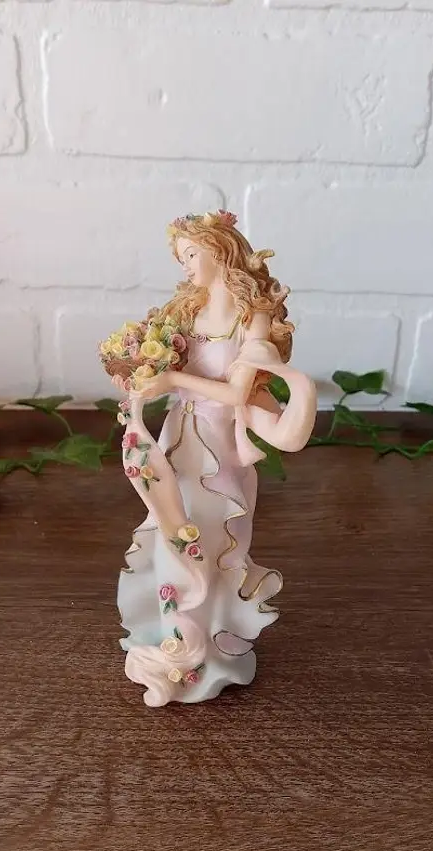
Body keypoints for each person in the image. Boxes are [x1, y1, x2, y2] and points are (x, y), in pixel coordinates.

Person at [115, 210, 317, 707]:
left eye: (190, 254)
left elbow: (234, 394)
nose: (185, 265)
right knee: (171, 535)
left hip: (219, 449)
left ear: (218, 250)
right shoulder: (188, 311)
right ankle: (175, 647)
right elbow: (165, 362)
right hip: (178, 438)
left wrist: (172, 380)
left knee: (208, 542)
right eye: (181, 257)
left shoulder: (252, 318)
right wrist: (140, 368)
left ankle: (206, 650)